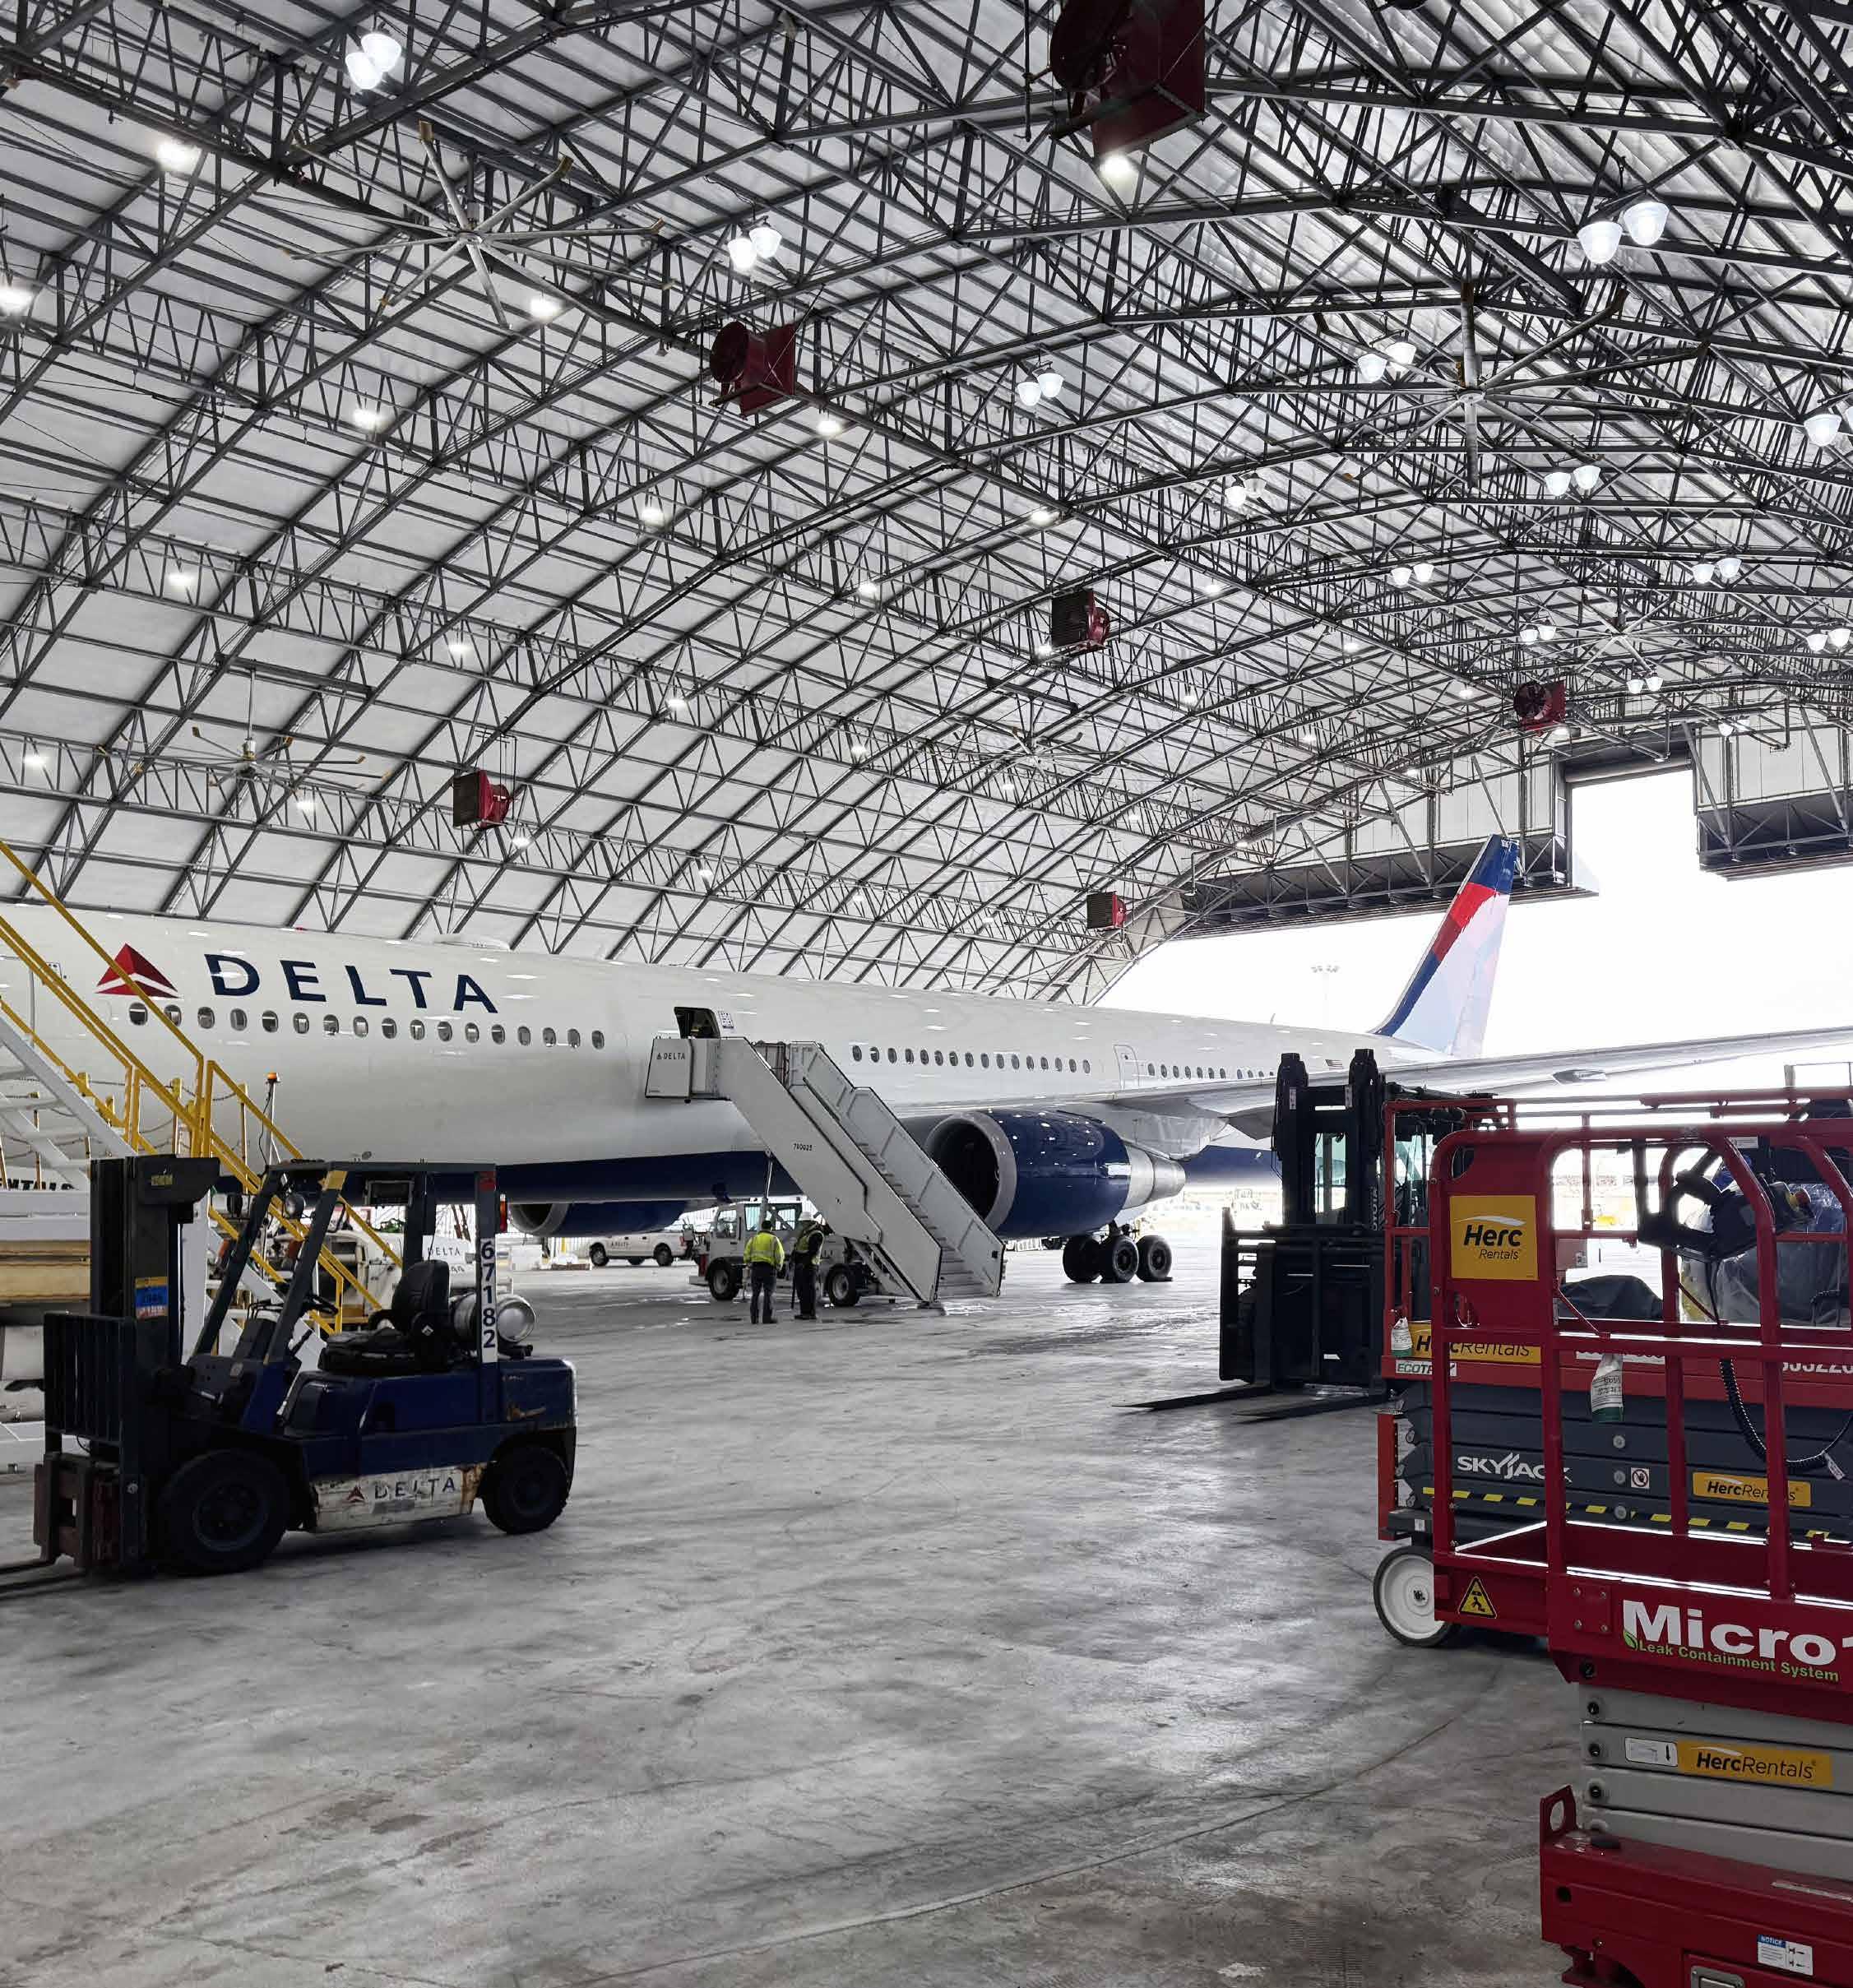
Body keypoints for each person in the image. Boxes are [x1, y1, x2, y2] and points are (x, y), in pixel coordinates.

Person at [744, 1214, 784, 1323]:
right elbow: (779, 1255)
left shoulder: (754, 1239)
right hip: (769, 1269)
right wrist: (779, 1266)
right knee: (768, 1294)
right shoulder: (774, 1239)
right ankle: (767, 1318)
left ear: (761, 1227)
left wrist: (749, 1264)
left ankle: (754, 1318)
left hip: (756, 1269)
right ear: (771, 1228)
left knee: (755, 1294)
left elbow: (747, 1253)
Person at [791, 1217, 826, 1318]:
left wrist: (803, 1263)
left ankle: (811, 1313)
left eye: (803, 1222)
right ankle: (804, 1312)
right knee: (801, 1289)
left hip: (810, 1265)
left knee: (809, 1290)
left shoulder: (816, 1234)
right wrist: (793, 1259)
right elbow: (798, 1247)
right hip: (802, 1264)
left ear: (809, 1222)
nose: (802, 1224)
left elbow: (812, 1252)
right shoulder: (805, 1232)